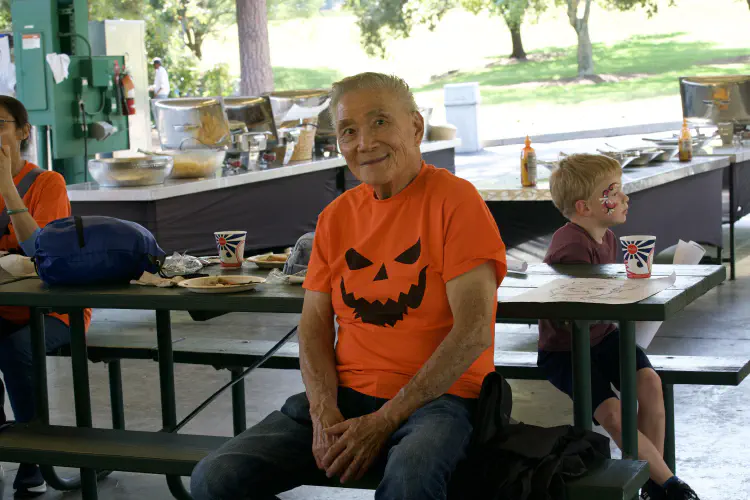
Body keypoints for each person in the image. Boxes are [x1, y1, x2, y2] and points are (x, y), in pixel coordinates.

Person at [190, 72, 507, 500]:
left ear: (415, 127)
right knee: (215, 478)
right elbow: (314, 326)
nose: (364, 143)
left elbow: (473, 332)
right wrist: (322, 412)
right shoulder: (336, 217)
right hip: (346, 395)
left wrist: (385, 421)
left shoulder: (456, 201)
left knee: (412, 481)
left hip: (441, 399)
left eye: (380, 123)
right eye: (348, 131)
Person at [536, 154, 700, 500]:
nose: (625, 199)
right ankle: (670, 486)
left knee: (650, 384)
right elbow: (572, 309)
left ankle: (650, 483)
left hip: (604, 338)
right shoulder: (569, 247)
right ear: (584, 207)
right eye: (614, 192)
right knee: (612, 412)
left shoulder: (607, 238)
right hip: (566, 351)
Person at [0, 96, 93, 497]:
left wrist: (6, 182)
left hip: (55, 309)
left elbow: (41, 250)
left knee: (16, 349)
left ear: (23, 131)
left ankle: (33, 452)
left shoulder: (47, 183)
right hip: (5, 307)